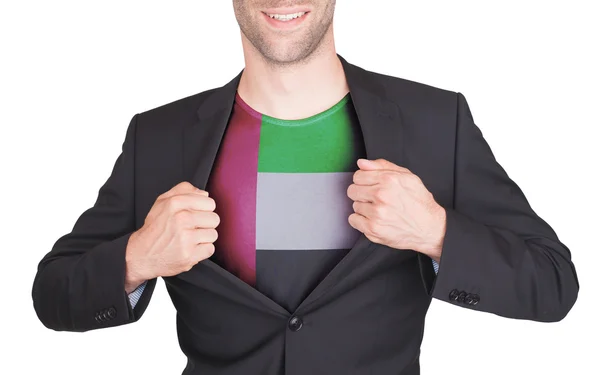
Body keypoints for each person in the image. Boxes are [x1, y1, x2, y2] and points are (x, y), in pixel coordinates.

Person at [31, 1, 579, 374]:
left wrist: (437, 233)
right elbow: (53, 294)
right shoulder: (159, 136)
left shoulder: (436, 122)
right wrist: (137, 257)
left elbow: (553, 284)